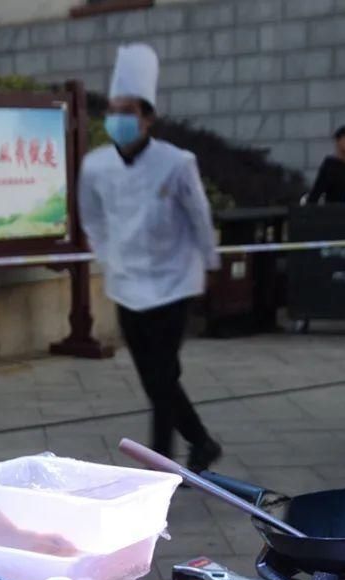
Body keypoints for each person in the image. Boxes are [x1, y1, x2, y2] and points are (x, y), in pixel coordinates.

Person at [78, 44, 222, 470]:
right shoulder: (96, 166)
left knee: (162, 377)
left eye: (128, 110)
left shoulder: (177, 162)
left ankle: (161, 462)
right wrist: (107, 257)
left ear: (147, 117)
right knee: (155, 378)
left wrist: (209, 265)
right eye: (113, 109)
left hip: (174, 283)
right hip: (127, 285)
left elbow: (199, 216)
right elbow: (93, 218)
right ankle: (201, 442)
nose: (118, 118)